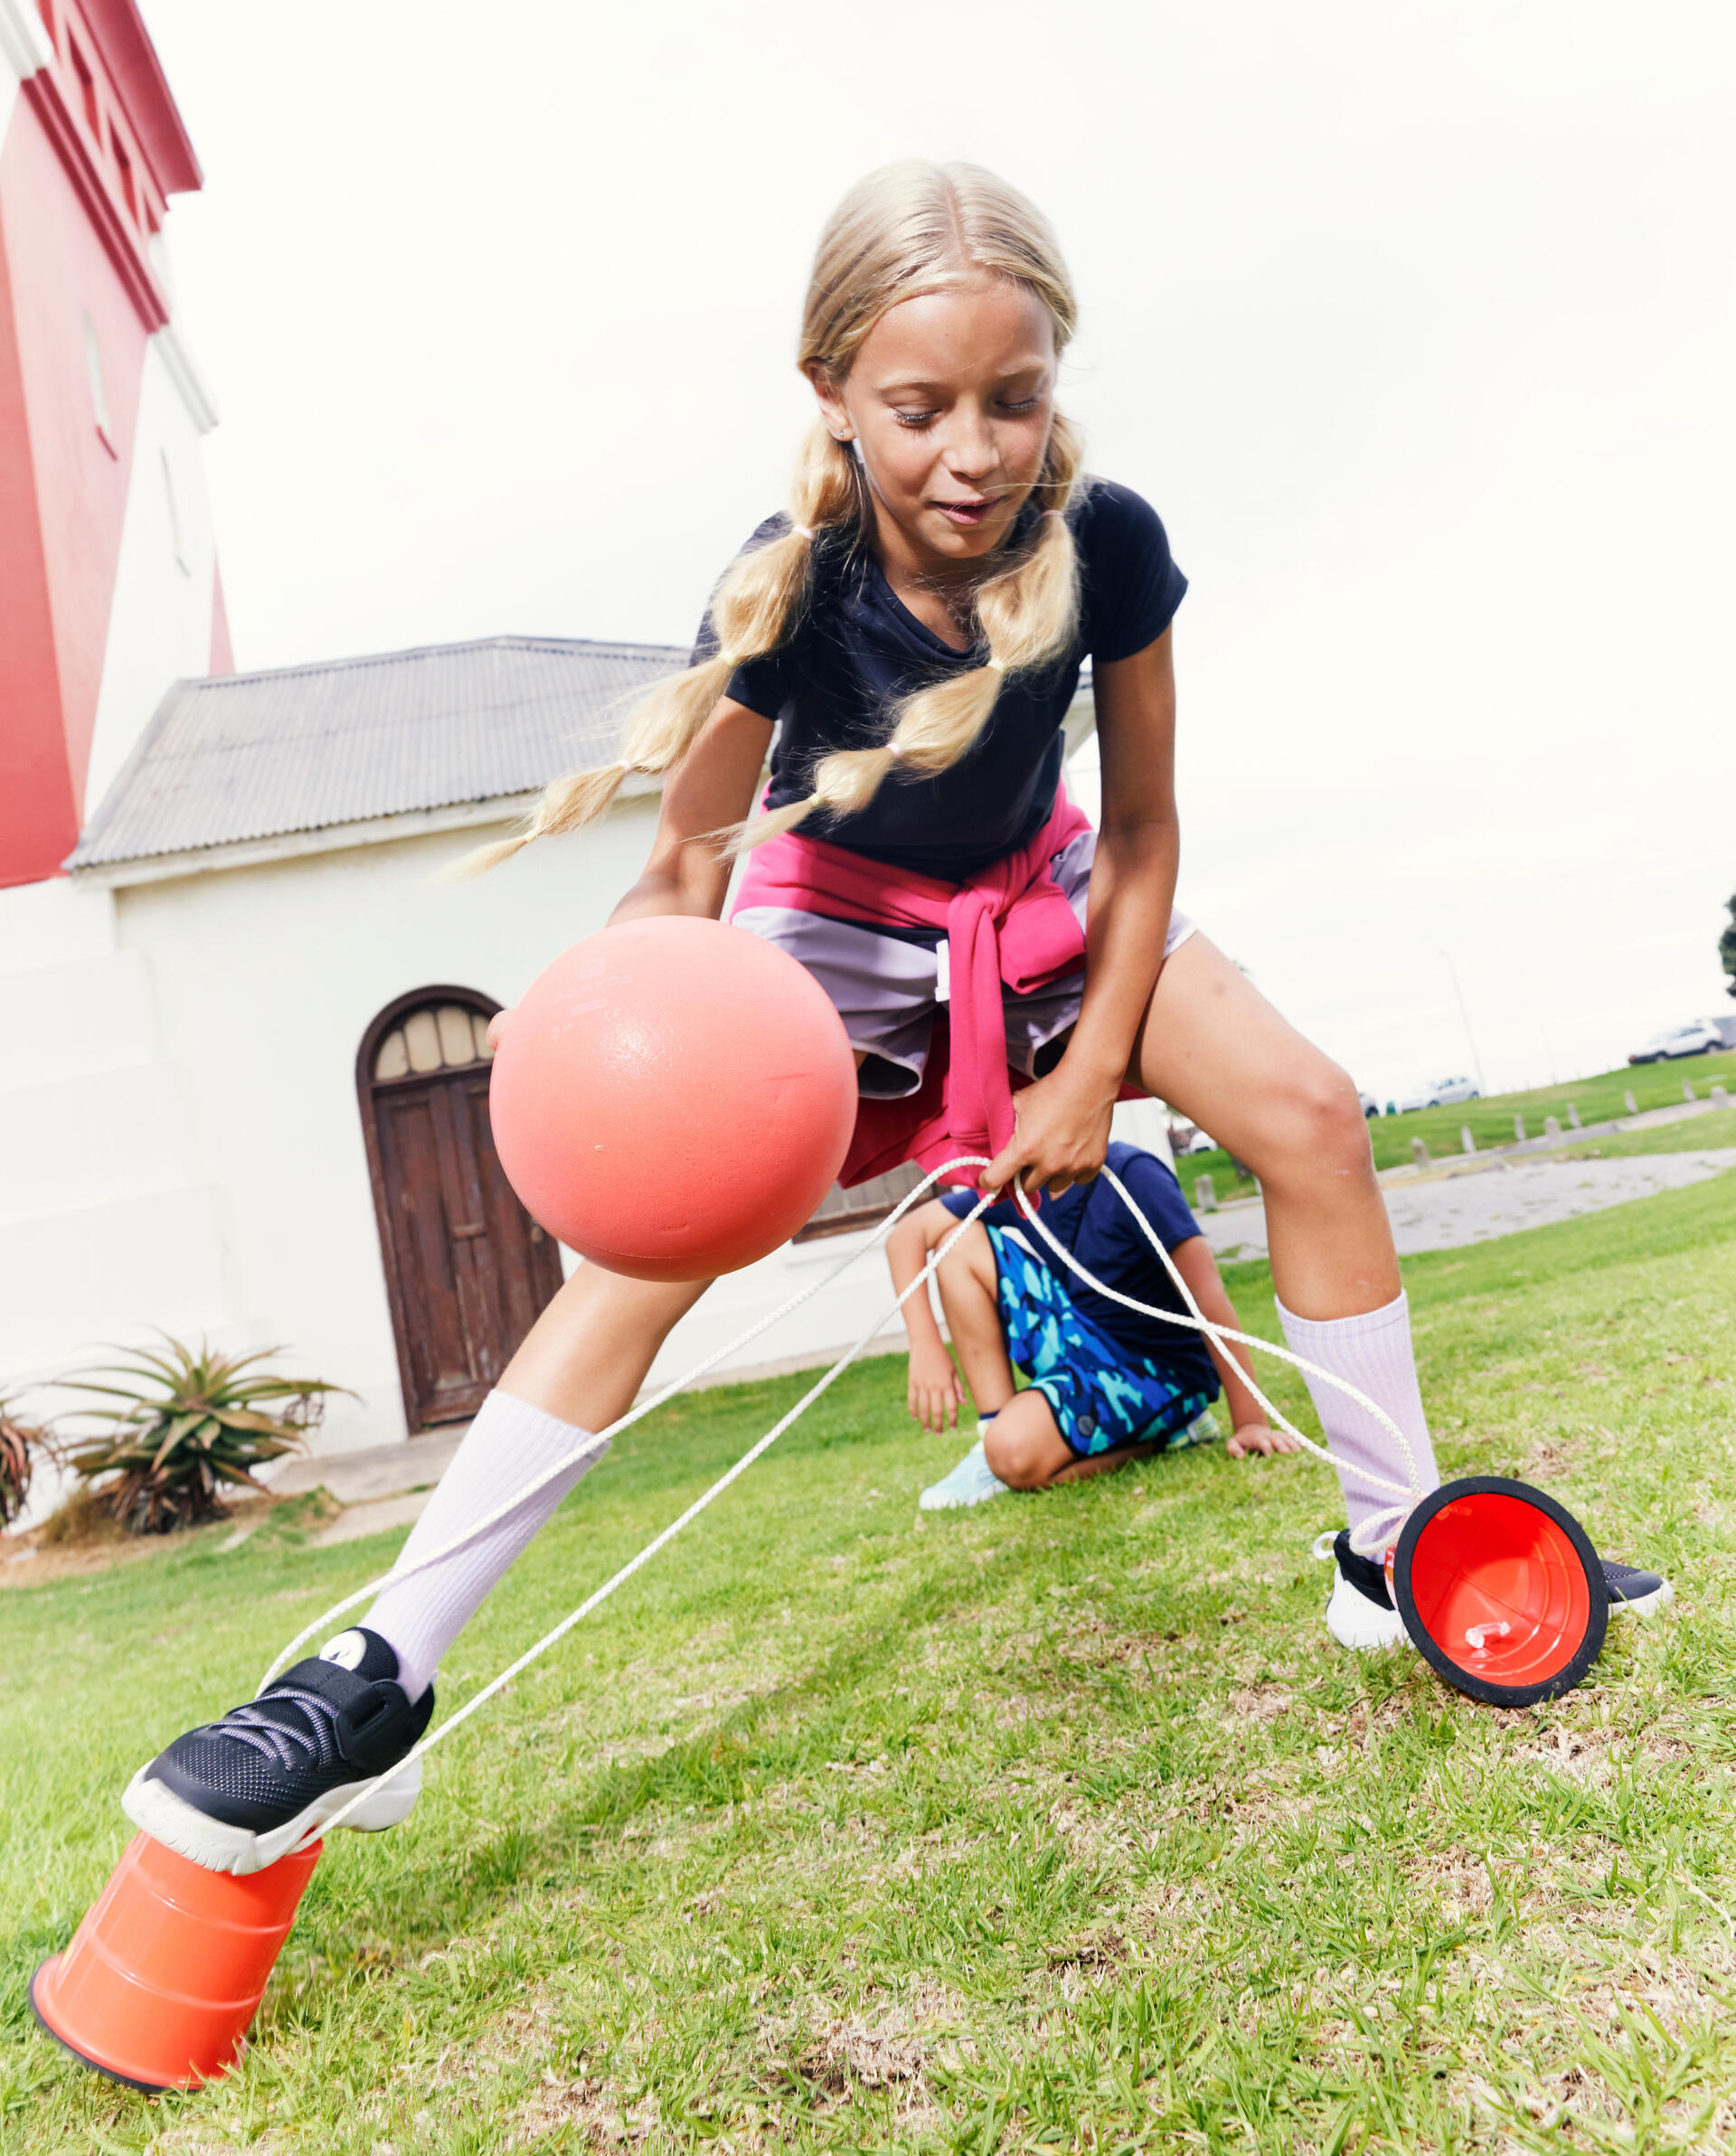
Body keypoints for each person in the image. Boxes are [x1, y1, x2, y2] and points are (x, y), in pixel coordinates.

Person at [124, 161, 1665, 1875]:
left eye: (1016, 397)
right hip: (832, 934)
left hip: (1044, 898)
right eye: (922, 407)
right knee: (643, 1255)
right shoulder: (784, 579)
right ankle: (377, 1682)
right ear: (835, 396)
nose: (976, 450)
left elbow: (1146, 834)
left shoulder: (1114, 543)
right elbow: (684, 865)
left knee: (1310, 1113)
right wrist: (648, 1015)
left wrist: (1089, 1072)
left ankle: (1395, 1552)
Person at [892, 1141, 1297, 1507]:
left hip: (1157, 1370)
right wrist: (925, 1342)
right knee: (955, 1240)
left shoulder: (1133, 1173)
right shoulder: (1021, 1180)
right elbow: (906, 1236)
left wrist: (1249, 1422)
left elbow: (1208, 1298)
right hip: (1082, 1341)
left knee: (1014, 1454)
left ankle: (1171, 1432)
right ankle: (991, 1439)